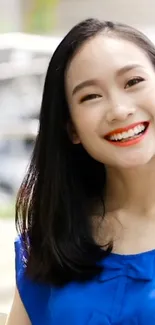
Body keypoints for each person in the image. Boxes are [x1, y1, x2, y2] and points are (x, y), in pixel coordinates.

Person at [6, 18, 155, 325]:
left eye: (133, 82)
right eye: (90, 97)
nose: (119, 110)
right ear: (71, 128)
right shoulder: (52, 242)